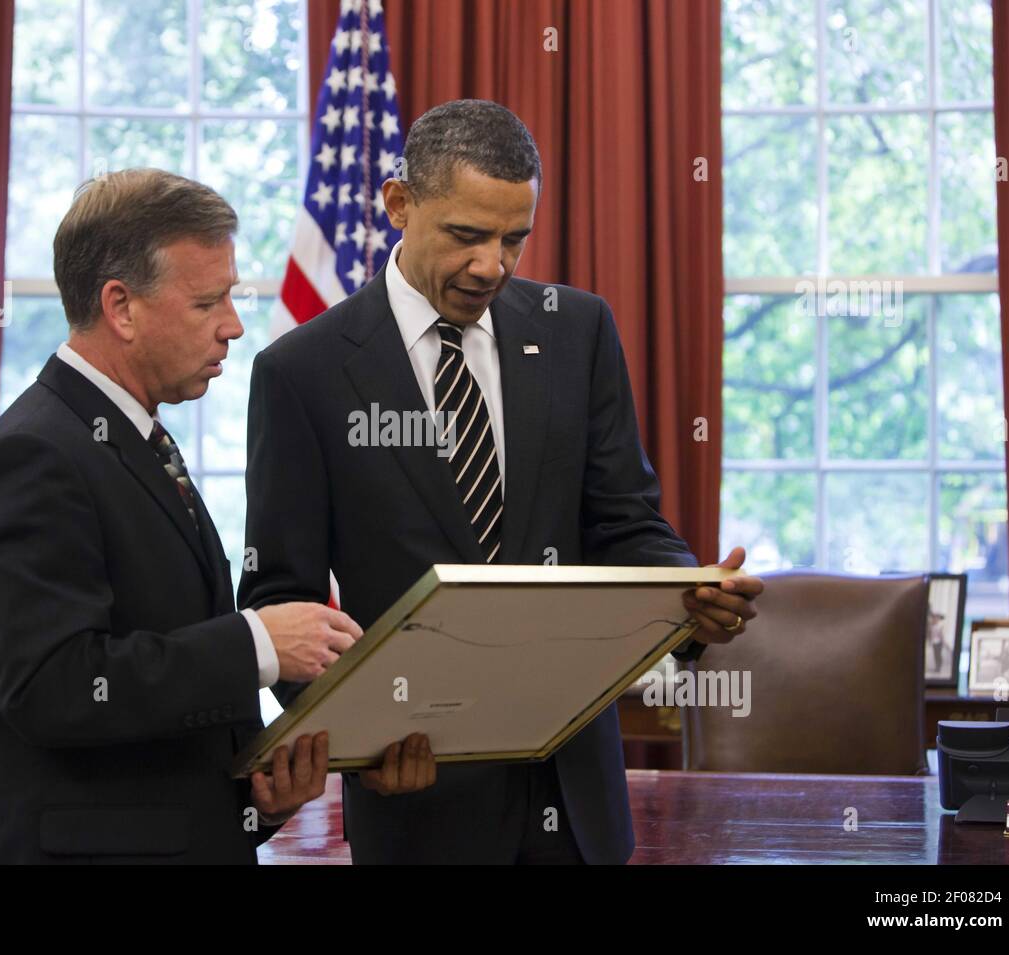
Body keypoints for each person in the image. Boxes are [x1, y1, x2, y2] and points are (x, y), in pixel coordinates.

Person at [240, 100, 764, 864]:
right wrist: (353, 740)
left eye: (514, 238)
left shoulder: (576, 330)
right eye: (466, 235)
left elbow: (625, 524)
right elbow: (280, 600)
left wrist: (688, 597)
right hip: (416, 803)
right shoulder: (302, 373)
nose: (493, 264)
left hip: (576, 804)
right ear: (399, 204)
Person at [0, 169, 364, 863]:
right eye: (209, 301)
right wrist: (257, 643)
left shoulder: (137, 436)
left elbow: (160, 689)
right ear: (121, 307)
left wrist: (254, 797)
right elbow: (53, 686)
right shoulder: (33, 453)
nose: (233, 324)